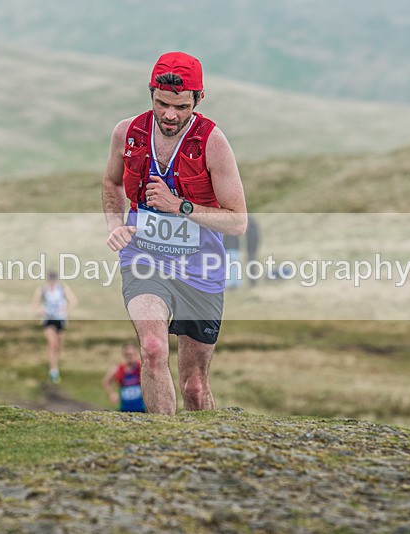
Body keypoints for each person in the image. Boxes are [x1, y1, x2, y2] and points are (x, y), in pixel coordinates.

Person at [102, 51, 247, 415]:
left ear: (198, 99)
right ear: (151, 93)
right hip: (144, 257)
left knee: (194, 387)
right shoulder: (127, 132)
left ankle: (203, 454)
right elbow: (110, 182)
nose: (169, 114)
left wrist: (179, 206)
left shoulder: (213, 143)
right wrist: (114, 224)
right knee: (151, 349)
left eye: (180, 106)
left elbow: (238, 221)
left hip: (201, 269)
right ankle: (161, 452)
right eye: (161, 103)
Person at [32, 272, 78, 384]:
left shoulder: (63, 288)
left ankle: (54, 364)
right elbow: (35, 304)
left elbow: (73, 301)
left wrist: (66, 308)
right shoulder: (42, 289)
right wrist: (39, 311)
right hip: (48, 320)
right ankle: (53, 371)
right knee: (52, 344)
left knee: (58, 345)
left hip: (60, 319)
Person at [101, 341, 147, 413]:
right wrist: (111, 394)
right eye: (128, 354)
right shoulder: (119, 368)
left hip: (141, 408)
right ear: (124, 355)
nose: (130, 356)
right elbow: (106, 381)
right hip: (124, 409)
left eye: (132, 354)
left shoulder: (142, 367)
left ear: (136, 354)